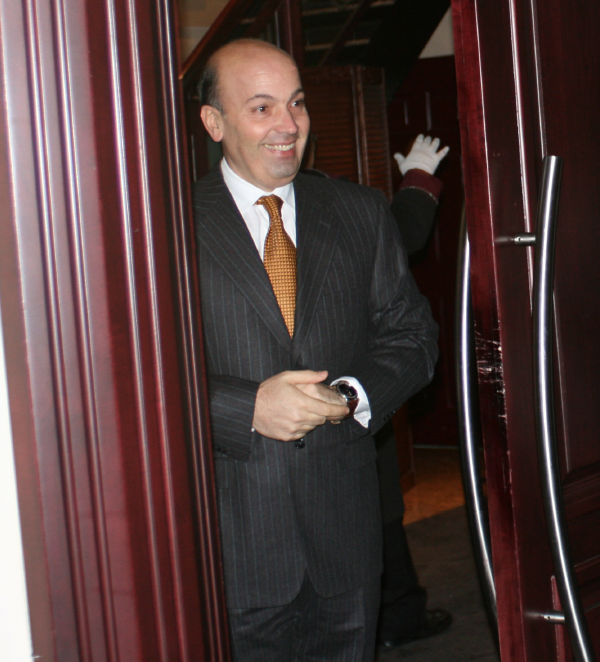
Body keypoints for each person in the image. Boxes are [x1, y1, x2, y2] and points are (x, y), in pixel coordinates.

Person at [193, 38, 438, 662]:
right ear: (214, 122)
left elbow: (413, 336)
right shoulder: (168, 226)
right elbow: (134, 373)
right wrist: (246, 408)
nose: (289, 124)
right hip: (231, 551)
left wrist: (348, 397)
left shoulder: (359, 211)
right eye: (262, 107)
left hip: (345, 545)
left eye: (296, 103)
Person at [376, 135, 455, 649]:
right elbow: (399, 236)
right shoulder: (326, 199)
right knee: (379, 511)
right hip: (347, 389)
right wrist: (419, 180)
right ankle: (398, 616)